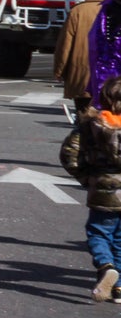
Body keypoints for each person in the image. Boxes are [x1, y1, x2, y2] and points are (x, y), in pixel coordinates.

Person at [61, 76, 121, 301]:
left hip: (102, 189)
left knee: (98, 232)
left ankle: (105, 266)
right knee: (120, 239)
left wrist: (85, 178)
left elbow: (69, 154)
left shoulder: (90, 125)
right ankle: (119, 289)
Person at [55, 0, 109, 110]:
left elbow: (65, 45)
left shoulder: (77, 11)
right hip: (110, 80)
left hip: (82, 77)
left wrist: (59, 71)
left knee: (84, 120)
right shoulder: (115, 11)